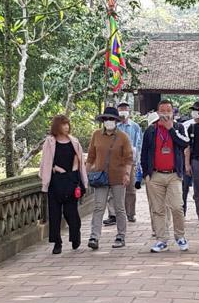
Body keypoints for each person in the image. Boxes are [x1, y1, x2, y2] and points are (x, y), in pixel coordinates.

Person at [142, 99, 191, 252]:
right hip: (155, 175)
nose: (165, 114)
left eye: (168, 110)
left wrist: (171, 129)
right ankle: (161, 239)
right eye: (162, 111)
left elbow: (185, 143)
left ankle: (180, 236)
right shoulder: (151, 130)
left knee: (177, 206)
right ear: (157, 112)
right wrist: (146, 174)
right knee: (158, 209)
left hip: (173, 175)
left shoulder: (178, 127)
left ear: (173, 112)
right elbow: (144, 153)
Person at [38, 114, 88, 254]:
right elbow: (46, 162)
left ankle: (75, 236)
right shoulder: (50, 142)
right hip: (55, 182)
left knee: (71, 212)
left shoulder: (74, 141)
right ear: (57, 126)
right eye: (63, 124)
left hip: (71, 180)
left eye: (67, 124)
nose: (66, 127)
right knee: (54, 214)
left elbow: (79, 161)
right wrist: (53, 170)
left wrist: (78, 177)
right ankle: (57, 242)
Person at [86, 106, 134, 250]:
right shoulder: (96, 135)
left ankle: (121, 235)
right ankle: (94, 236)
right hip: (100, 176)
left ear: (116, 121)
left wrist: (127, 174)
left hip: (118, 176)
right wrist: (85, 173)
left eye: (111, 119)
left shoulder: (123, 137)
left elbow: (129, 158)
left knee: (119, 208)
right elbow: (91, 156)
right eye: (106, 119)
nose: (108, 121)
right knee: (99, 206)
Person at [108, 101, 143, 225]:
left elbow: (139, 144)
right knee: (113, 188)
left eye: (125, 109)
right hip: (114, 162)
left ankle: (130, 214)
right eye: (121, 109)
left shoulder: (135, 127)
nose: (123, 111)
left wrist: (137, 160)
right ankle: (112, 214)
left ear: (129, 111)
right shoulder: (113, 126)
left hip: (130, 162)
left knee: (130, 189)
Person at [181, 101, 199, 215]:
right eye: (193, 110)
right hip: (187, 160)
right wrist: (186, 163)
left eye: (197, 110)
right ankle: (182, 210)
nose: (195, 113)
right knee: (184, 187)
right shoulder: (186, 125)